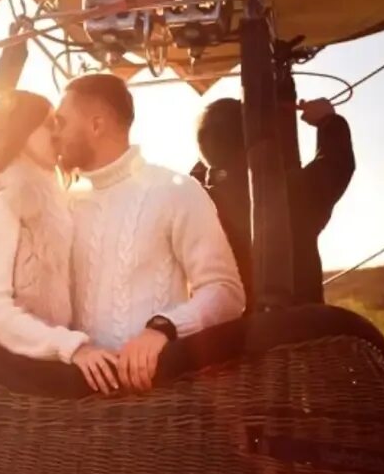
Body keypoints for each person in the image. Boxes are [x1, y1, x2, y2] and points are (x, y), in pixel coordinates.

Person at [51, 73, 245, 392]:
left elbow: (225, 291)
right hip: (78, 407)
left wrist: (162, 329)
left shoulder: (175, 189)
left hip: (163, 401)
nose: (55, 135)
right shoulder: (64, 203)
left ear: (96, 125)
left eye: (62, 122)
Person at [0, 90, 123, 393]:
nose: (59, 135)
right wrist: (71, 347)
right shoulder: (8, 199)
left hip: (34, 373)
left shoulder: (52, 202)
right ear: (21, 132)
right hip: (2, 381)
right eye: (49, 124)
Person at [192, 96, 355, 305]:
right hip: (296, 331)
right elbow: (336, 164)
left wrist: (210, 145)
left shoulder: (196, 205)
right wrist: (329, 121)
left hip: (226, 333)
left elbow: (205, 168)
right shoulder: (292, 194)